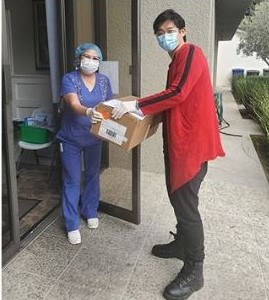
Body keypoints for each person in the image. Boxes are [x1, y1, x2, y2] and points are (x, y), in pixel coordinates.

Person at [111, 9, 225, 300]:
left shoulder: (191, 54)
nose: (165, 37)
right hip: (178, 142)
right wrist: (148, 118)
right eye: (159, 34)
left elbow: (178, 93)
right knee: (176, 196)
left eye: (169, 30)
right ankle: (181, 245)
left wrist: (137, 106)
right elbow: (174, 100)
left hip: (191, 145)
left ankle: (195, 268)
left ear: (183, 31)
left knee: (187, 207)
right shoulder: (176, 60)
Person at [57, 43, 113, 245]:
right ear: (79, 58)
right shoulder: (69, 79)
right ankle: (72, 223)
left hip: (94, 138)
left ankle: (90, 211)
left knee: (92, 175)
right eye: (87, 57)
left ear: (99, 62)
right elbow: (73, 103)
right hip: (70, 139)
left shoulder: (104, 81)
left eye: (95, 58)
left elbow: (108, 106)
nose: (91, 61)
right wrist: (88, 111)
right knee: (72, 179)